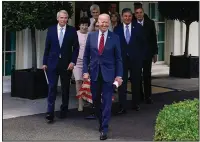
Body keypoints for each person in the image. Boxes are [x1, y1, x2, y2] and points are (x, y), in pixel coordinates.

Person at [83, 14, 123, 140]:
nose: (105, 24)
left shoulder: (115, 37)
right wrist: (85, 71)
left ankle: (104, 128)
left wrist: (119, 75)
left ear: (109, 23)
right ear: (98, 22)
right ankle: (101, 122)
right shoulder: (91, 36)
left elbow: (118, 59)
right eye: (102, 22)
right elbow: (85, 56)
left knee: (107, 102)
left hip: (108, 75)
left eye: (107, 22)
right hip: (94, 73)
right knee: (95, 100)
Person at [42, 10, 79, 123]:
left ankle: (64, 109)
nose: (63, 20)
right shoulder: (51, 29)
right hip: (52, 64)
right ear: (57, 18)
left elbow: (76, 48)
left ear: (67, 19)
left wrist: (73, 62)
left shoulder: (72, 30)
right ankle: (50, 112)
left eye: (65, 18)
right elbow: (47, 47)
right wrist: (44, 62)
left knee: (65, 88)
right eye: (61, 17)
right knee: (52, 87)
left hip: (66, 65)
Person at [114, 8, 147, 114]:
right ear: (122, 16)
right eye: (125, 16)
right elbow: (115, 46)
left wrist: (141, 57)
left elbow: (143, 44)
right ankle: (122, 106)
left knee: (136, 82)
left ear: (131, 17)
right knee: (121, 84)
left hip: (136, 60)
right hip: (122, 60)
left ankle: (135, 104)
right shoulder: (117, 29)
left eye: (129, 16)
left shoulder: (138, 27)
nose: (127, 18)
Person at [133, 3, 158, 104]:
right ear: (135, 14)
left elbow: (154, 39)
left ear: (143, 13)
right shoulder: (132, 24)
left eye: (140, 13)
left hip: (147, 53)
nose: (139, 14)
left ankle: (148, 96)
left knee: (147, 76)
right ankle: (140, 95)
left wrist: (155, 53)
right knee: (137, 76)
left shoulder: (150, 23)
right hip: (136, 55)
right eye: (137, 13)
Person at [73, 17, 90, 112]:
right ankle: (80, 103)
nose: (84, 27)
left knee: (86, 82)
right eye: (82, 25)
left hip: (87, 61)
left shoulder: (90, 35)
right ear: (79, 25)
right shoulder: (75, 34)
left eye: (86, 25)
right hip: (77, 61)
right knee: (78, 81)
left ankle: (86, 99)